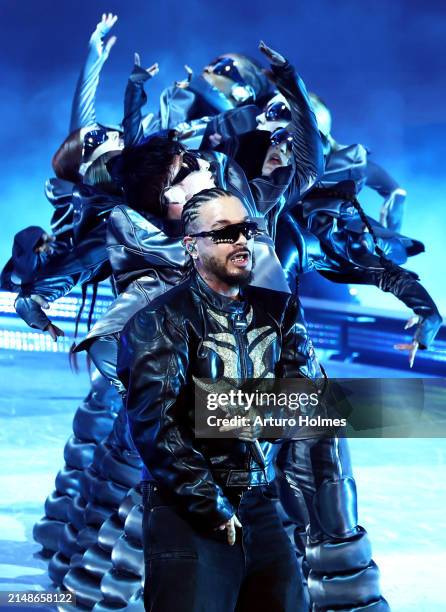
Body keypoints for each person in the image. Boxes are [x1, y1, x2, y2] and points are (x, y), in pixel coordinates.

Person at [118, 187, 319, 611]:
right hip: (187, 508)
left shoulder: (281, 311)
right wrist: (210, 503)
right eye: (225, 232)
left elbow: (305, 401)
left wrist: (217, 407)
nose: (242, 240)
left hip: (262, 500)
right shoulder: (158, 321)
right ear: (192, 245)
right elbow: (157, 427)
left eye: (245, 229)